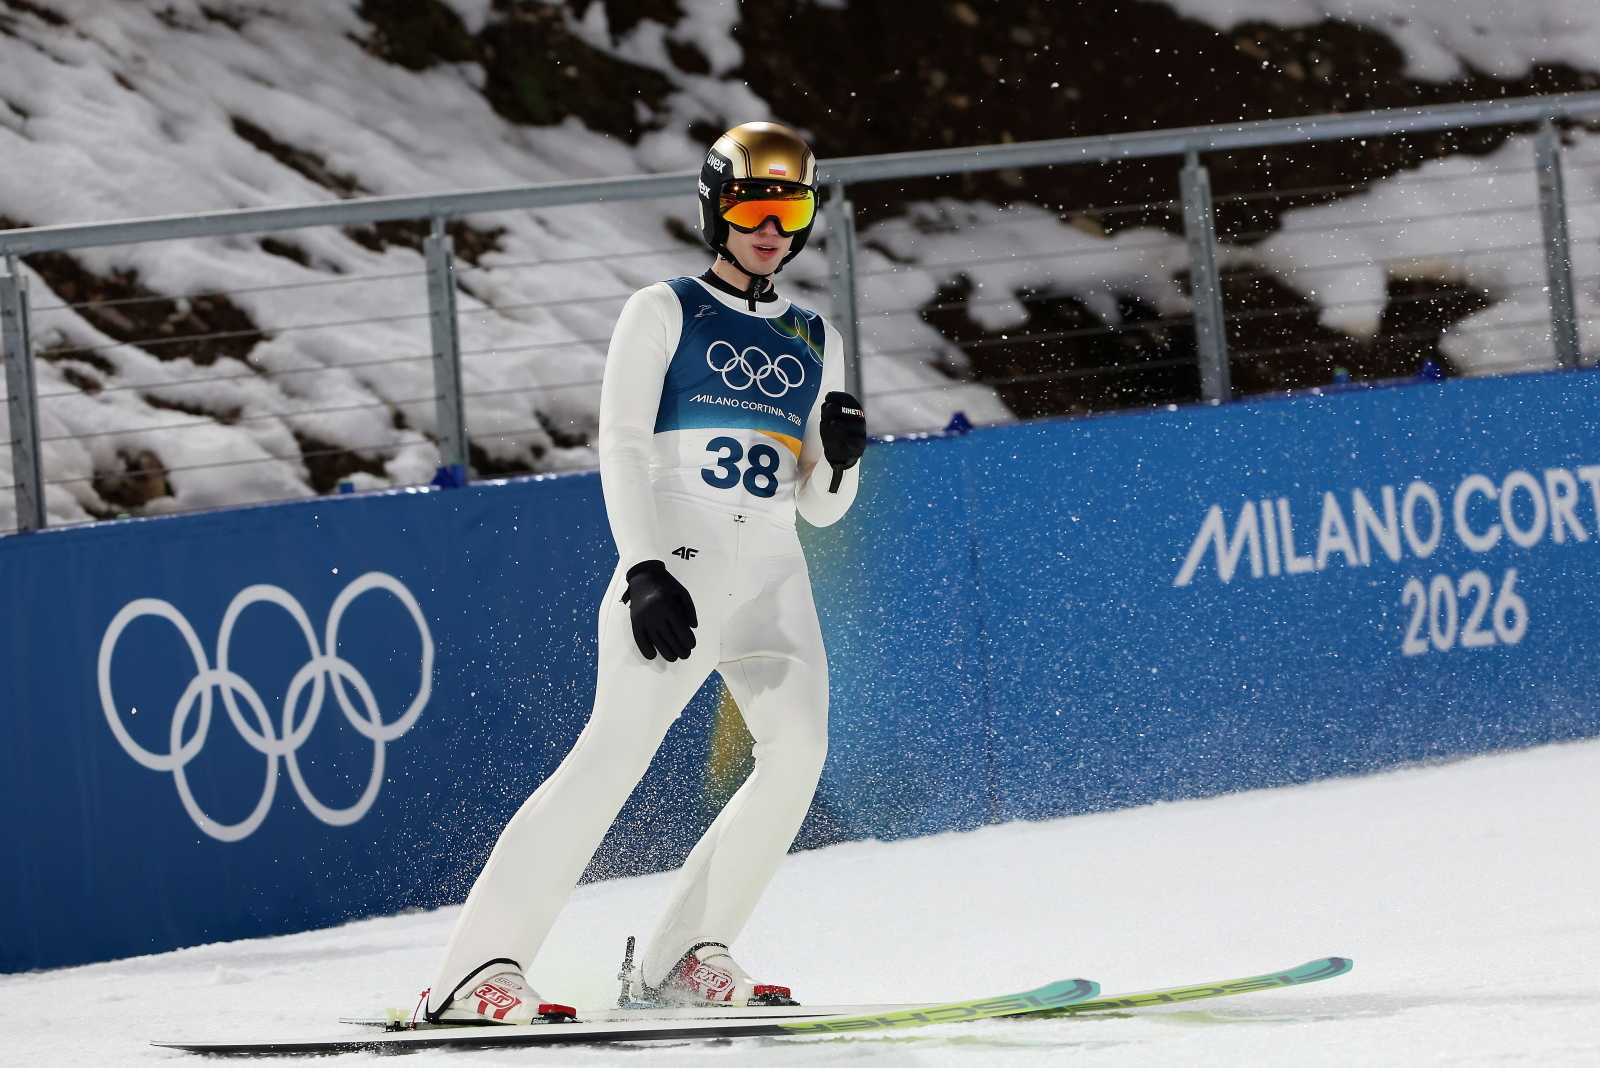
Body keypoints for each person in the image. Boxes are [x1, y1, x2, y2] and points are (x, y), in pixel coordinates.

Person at [423, 121, 868, 1024]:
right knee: (610, 759)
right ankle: (473, 974)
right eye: (753, 206)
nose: (770, 228)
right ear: (715, 209)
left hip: (773, 574)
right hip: (680, 569)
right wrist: (644, 569)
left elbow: (821, 508)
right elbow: (622, 446)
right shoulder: (663, 310)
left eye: (790, 210)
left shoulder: (815, 334)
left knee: (799, 753)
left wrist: (843, 461)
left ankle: (684, 958)